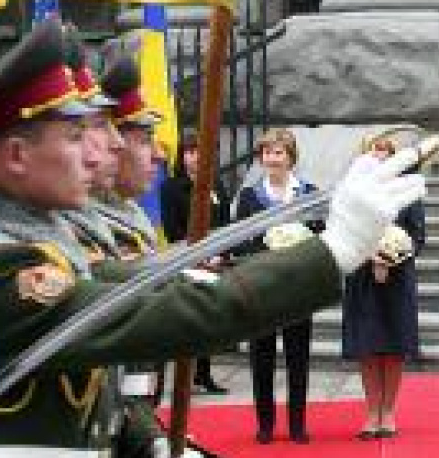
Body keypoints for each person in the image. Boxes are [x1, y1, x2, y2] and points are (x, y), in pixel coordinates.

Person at [0, 18, 427, 455]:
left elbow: (138, 316)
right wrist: (334, 251)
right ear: (17, 157)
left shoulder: (29, 247)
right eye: (75, 136)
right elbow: (169, 315)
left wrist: (154, 445)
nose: (96, 154)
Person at [235, 128, 322, 444]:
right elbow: (240, 242)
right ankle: (265, 425)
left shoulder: (309, 193)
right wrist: (269, 248)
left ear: (290, 157)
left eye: (279, 152)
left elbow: (320, 236)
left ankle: (297, 424)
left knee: (298, 357)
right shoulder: (249, 197)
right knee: (262, 358)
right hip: (262, 287)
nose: (272, 158)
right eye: (267, 153)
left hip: (297, 288)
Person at [341, 133, 425, 440]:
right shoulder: (351, 190)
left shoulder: (408, 190)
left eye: (386, 150)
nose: (380, 155)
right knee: (367, 346)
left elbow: (418, 236)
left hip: (397, 279)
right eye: (374, 149)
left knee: (393, 346)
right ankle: (371, 412)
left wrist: (392, 255)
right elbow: (342, 230)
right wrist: (370, 255)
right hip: (362, 278)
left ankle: (388, 411)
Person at [160, 128, 231, 394]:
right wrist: (197, 254)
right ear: (182, 156)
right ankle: (184, 377)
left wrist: (219, 253)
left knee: (209, 319)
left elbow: (225, 222)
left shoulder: (217, 184)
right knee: (189, 319)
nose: (196, 157)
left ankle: (204, 374)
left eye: (201, 151)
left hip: (214, 260)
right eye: (190, 152)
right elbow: (172, 229)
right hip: (186, 260)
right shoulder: (171, 188)